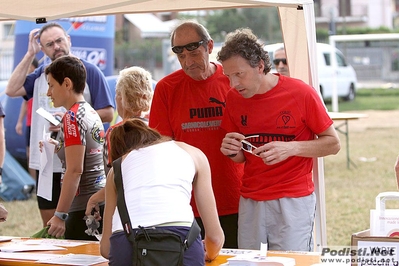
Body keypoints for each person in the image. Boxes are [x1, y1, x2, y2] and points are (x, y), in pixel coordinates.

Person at [217, 28, 341, 251]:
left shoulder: (301, 93)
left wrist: (291, 148)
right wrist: (232, 150)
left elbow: (333, 143)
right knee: (249, 262)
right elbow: (241, 158)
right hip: (251, 199)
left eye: (239, 74)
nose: (233, 84)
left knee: (290, 262)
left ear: (260, 66)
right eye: (228, 76)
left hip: (292, 198)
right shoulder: (233, 99)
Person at [5, 22, 114, 228]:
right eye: (49, 44)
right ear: (43, 49)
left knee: (75, 224)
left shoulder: (88, 72)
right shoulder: (41, 74)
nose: (56, 46)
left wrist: (68, 120)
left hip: (80, 166)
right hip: (48, 161)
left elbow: (108, 112)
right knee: (51, 229)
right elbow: (11, 90)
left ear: (69, 40)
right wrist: (30, 54)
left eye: (59, 40)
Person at [148, 20, 243, 248]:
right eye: (180, 54)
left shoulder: (232, 80)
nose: (188, 61)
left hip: (236, 198)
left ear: (210, 46)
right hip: (187, 203)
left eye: (194, 51)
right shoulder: (166, 88)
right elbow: (160, 148)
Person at [100, 118, 224, 265]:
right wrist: (209, 253)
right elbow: (215, 237)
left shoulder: (116, 170)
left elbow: (106, 249)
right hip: (183, 242)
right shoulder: (194, 154)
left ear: (120, 152)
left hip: (127, 244)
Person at [41, 55, 106, 240]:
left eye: (51, 85)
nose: (48, 92)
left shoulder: (71, 117)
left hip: (82, 209)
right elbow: (85, 154)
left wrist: (60, 214)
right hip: (96, 203)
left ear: (67, 84)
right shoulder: (90, 111)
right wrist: (57, 146)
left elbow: (75, 169)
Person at [85, 66, 153, 218]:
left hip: (127, 210)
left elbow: (114, 181)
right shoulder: (158, 126)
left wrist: (95, 198)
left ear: (122, 97)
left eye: (117, 94)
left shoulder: (116, 132)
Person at [15, 58, 39, 180]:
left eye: (29, 66)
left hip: (40, 124)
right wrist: (19, 122)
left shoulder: (39, 81)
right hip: (30, 124)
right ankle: (33, 181)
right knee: (30, 154)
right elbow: (24, 103)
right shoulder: (27, 85)